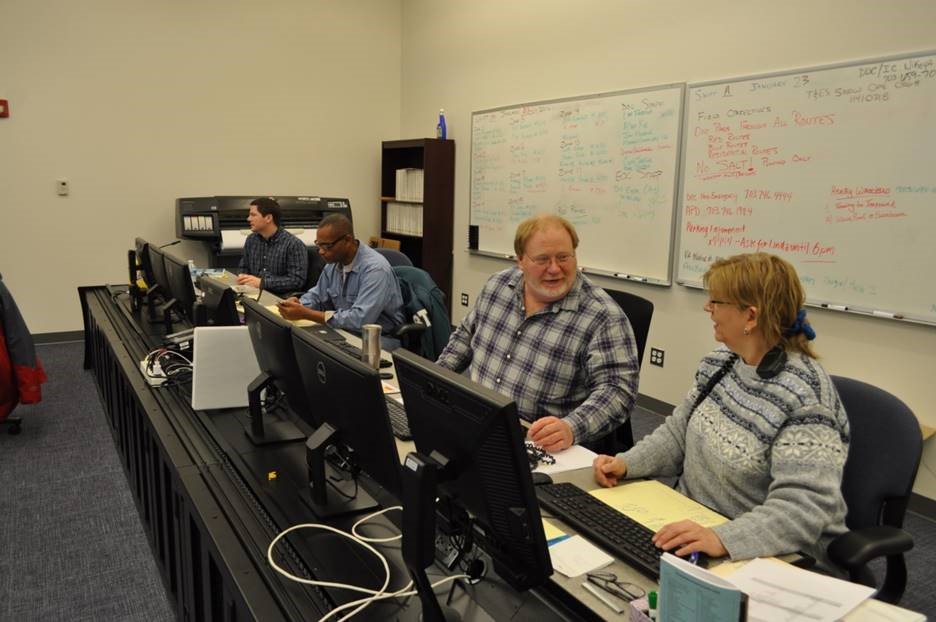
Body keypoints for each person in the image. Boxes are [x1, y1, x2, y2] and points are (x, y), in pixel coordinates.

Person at [593, 253, 849, 569]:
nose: (707, 308)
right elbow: (678, 433)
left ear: (750, 316)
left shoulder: (806, 396)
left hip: (757, 552)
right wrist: (626, 463)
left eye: (716, 301)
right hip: (692, 524)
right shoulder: (721, 362)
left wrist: (723, 538)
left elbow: (804, 509)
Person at [436, 213, 639, 452]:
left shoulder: (602, 316)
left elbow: (618, 391)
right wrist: (433, 380)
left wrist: (570, 428)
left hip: (540, 445)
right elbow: (464, 337)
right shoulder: (497, 286)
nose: (554, 269)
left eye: (563, 257)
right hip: (477, 420)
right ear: (520, 261)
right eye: (542, 259)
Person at [276, 214, 406, 344]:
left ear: (348, 240)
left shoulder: (375, 269)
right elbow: (317, 296)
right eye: (318, 245)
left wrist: (306, 314)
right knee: (299, 341)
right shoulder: (333, 264)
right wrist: (299, 304)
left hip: (379, 338)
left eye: (327, 246)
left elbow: (360, 320)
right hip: (344, 331)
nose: (321, 252)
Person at [235, 197, 308, 296]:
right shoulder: (251, 240)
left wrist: (263, 283)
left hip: (279, 298)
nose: (248, 219)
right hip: (252, 293)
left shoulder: (293, 245)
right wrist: (242, 277)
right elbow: (244, 267)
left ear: (268, 218)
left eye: (253, 215)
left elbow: (296, 281)